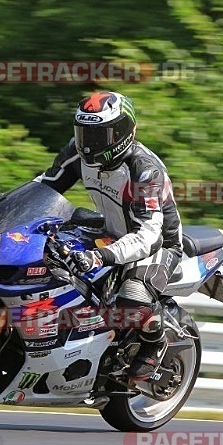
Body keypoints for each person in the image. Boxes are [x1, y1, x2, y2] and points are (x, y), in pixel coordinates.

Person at [35, 91, 183, 380]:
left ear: (124, 132)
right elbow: (45, 186)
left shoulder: (144, 171)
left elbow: (149, 235)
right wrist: (4, 207)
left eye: (100, 135)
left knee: (132, 297)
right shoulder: (77, 153)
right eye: (84, 133)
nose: (90, 144)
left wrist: (99, 256)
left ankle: (156, 340)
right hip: (110, 230)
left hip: (156, 243)